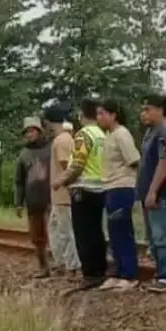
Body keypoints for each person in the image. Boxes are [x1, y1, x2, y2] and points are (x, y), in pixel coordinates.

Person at [54, 99, 107, 291]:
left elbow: (78, 163)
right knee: (97, 232)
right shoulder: (102, 134)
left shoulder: (83, 135)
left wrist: (61, 181)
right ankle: (100, 269)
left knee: (84, 234)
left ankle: (91, 273)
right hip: (101, 188)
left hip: (83, 189)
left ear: (81, 114)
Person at [138, 93, 166, 293]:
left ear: (160, 110)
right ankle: (162, 273)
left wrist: (153, 191)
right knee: (155, 238)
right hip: (151, 193)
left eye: (147, 109)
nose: (143, 114)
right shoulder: (150, 132)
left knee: (163, 236)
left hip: (164, 194)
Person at [97, 99, 141, 290]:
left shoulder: (122, 134)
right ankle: (117, 271)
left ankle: (129, 274)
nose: (99, 118)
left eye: (102, 114)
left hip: (122, 186)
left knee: (123, 231)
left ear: (113, 115)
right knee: (113, 232)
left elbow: (134, 160)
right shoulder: (109, 135)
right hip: (110, 187)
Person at [14, 117, 51, 277]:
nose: (29, 134)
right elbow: (19, 181)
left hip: (52, 199)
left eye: (32, 130)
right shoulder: (24, 154)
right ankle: (43, 266)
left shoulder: (51, 148)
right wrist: (18, 202)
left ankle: (63, 266)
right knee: (37, 237)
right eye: (27, 132)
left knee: (56, 234)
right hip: (33, 200)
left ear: (39, 131)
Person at [45, 108, 80, 275]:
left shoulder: (61, 140)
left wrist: (66, 186)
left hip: (63, 195)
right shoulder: (65, 138)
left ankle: (71, 266)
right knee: (55, 229)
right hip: (59, 195)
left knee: (65, 232)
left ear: (49, 122)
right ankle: (61, 262)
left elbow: (67, 166)